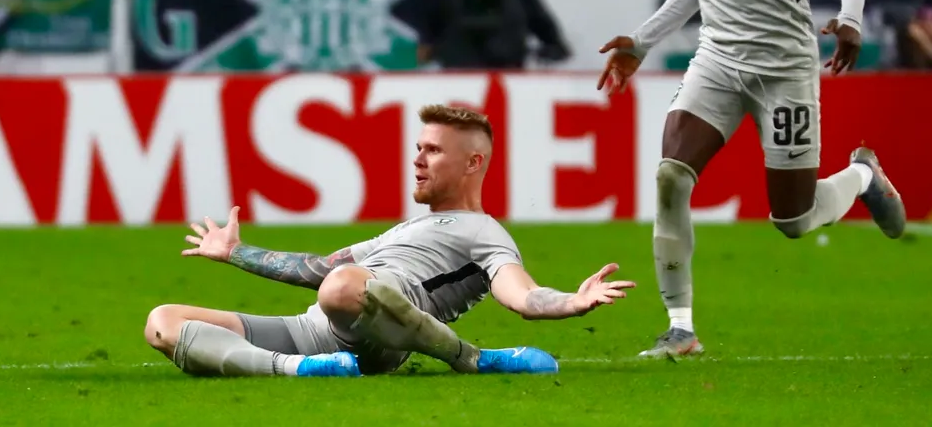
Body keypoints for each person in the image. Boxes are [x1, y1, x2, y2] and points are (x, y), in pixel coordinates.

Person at [596, 0, 906, 360]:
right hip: (716, 59)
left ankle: (863, 176)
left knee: (793, 219)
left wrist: (850, 18)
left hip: (784, 67)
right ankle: (680, 329)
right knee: (670, 177)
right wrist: (642, 39)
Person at [145, 105, 634, 377]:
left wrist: (571, 301)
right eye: (418, 148)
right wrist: (235, 252)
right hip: (317, 330)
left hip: (381, 335)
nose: (417, 159)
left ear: (473, 163)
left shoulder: (486, 233)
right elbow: (319, 269)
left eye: (433, 150)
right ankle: (299, 369)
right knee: (163, 322)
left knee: (343, 286)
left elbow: (521, 295)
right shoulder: (404, 229)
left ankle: (472, 359)